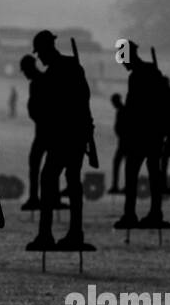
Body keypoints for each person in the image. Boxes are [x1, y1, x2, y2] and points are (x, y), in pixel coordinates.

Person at [29, 31, 93, 250]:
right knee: (72, 181)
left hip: (63, 137)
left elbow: (54, 109)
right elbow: (85, 101)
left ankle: (47, 234)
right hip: (75, 135)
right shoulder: (72, 67)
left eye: (40, 53)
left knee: (49, 180)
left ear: (46, 49)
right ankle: (74, 233)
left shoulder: (54, 73)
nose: (39, 58)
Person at [114, 44, 170, 230]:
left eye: (124, 60)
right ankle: (154, 212)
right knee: (153, 174)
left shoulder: (138, 76)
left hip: (142, 134)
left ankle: (132, 214)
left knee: (133, 174)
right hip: (153, 133)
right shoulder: (152, 72)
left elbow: (135, 106)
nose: (123, 65)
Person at [19, 54, 47, 210]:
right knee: (38, 164)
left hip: (44, 130)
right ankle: (37, 197)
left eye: (25, 70)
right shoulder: (40, 81)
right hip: (42, 129)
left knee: (37, 163)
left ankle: (36, 197)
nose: (24, 74)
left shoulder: (38, 82)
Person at [108, 93, 128, 194]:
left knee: (118, 163)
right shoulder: (122, 110)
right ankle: (122, 185)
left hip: (124, 142)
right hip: (124, 141)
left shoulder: (122, 111)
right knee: (123, 164)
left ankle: (116, 185)